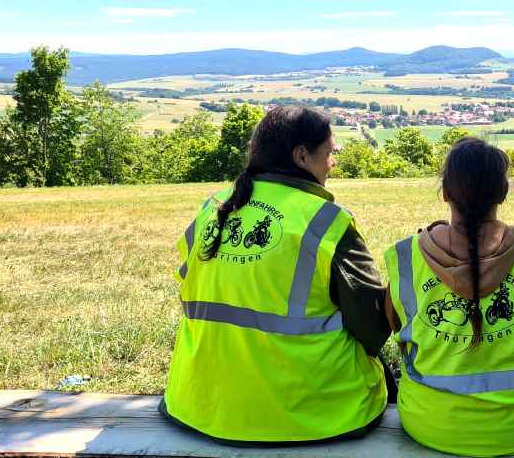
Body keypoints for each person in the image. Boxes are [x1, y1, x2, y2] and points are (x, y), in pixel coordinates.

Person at [161, 105, 392, 445]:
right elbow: (372, 329)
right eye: (329, 153)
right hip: (312, 418)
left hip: (197, 406)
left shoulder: (212, 208)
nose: (333, 163)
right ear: (302, 156)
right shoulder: (326, 222)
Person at [383, 137, 514, 457]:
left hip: (429, 422)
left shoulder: (405, 256)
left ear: (445, 192)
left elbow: (395, 327)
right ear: (503, 192)